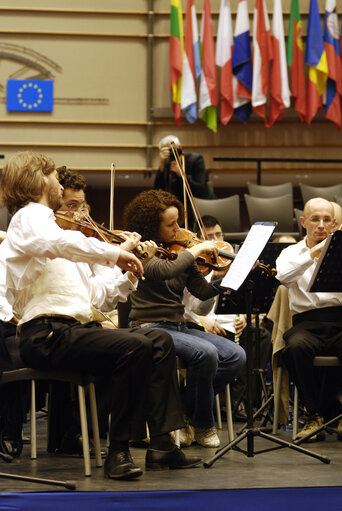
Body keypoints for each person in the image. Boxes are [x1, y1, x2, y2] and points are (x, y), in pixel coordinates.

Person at [0, 151, 202, 480]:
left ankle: (163, 444)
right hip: (46, 334)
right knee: (133, 346)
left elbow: (96, 296)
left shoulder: (67, 240)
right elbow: (55, 242)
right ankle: (118, 451)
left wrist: (131, 270)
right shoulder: (29, 218)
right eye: (53, 177)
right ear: (39, 179)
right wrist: (115, 253)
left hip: (72, 331)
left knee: (159, 339)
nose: (58, 184)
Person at [124, 190, 246, 448]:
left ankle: (184, 411)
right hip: (148, 327)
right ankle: (203, 424)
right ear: (152, 226)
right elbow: (164, 271)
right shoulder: (141, 251)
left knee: (236, 355)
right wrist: (198, 249)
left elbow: (201, 290)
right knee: (206, 353)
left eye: (178, 222)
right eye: (171, 224)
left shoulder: (181, 250)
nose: (179, 229)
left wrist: (227, 281)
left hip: (178, 327)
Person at [276, 197, 342, 441]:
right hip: (306, 323)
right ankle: (314, 414)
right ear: (304, 222)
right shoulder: (290, 252)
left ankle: (337, 412)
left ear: (335, 224)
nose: (321, 225)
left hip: (339, 320)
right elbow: (283, 277)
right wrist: (312, 254)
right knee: (294, 347)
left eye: (327, 220)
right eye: (315, 219)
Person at [154, 135, 214, 207]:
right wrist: (161, 165)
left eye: (171, 150)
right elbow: (157, 190)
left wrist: (181, 174)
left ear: (179, 148)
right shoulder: (166, 163)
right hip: (175, 206)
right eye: (166, 151)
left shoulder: (196, 159)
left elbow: (199, 189)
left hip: (197, 205)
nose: (170, 154)